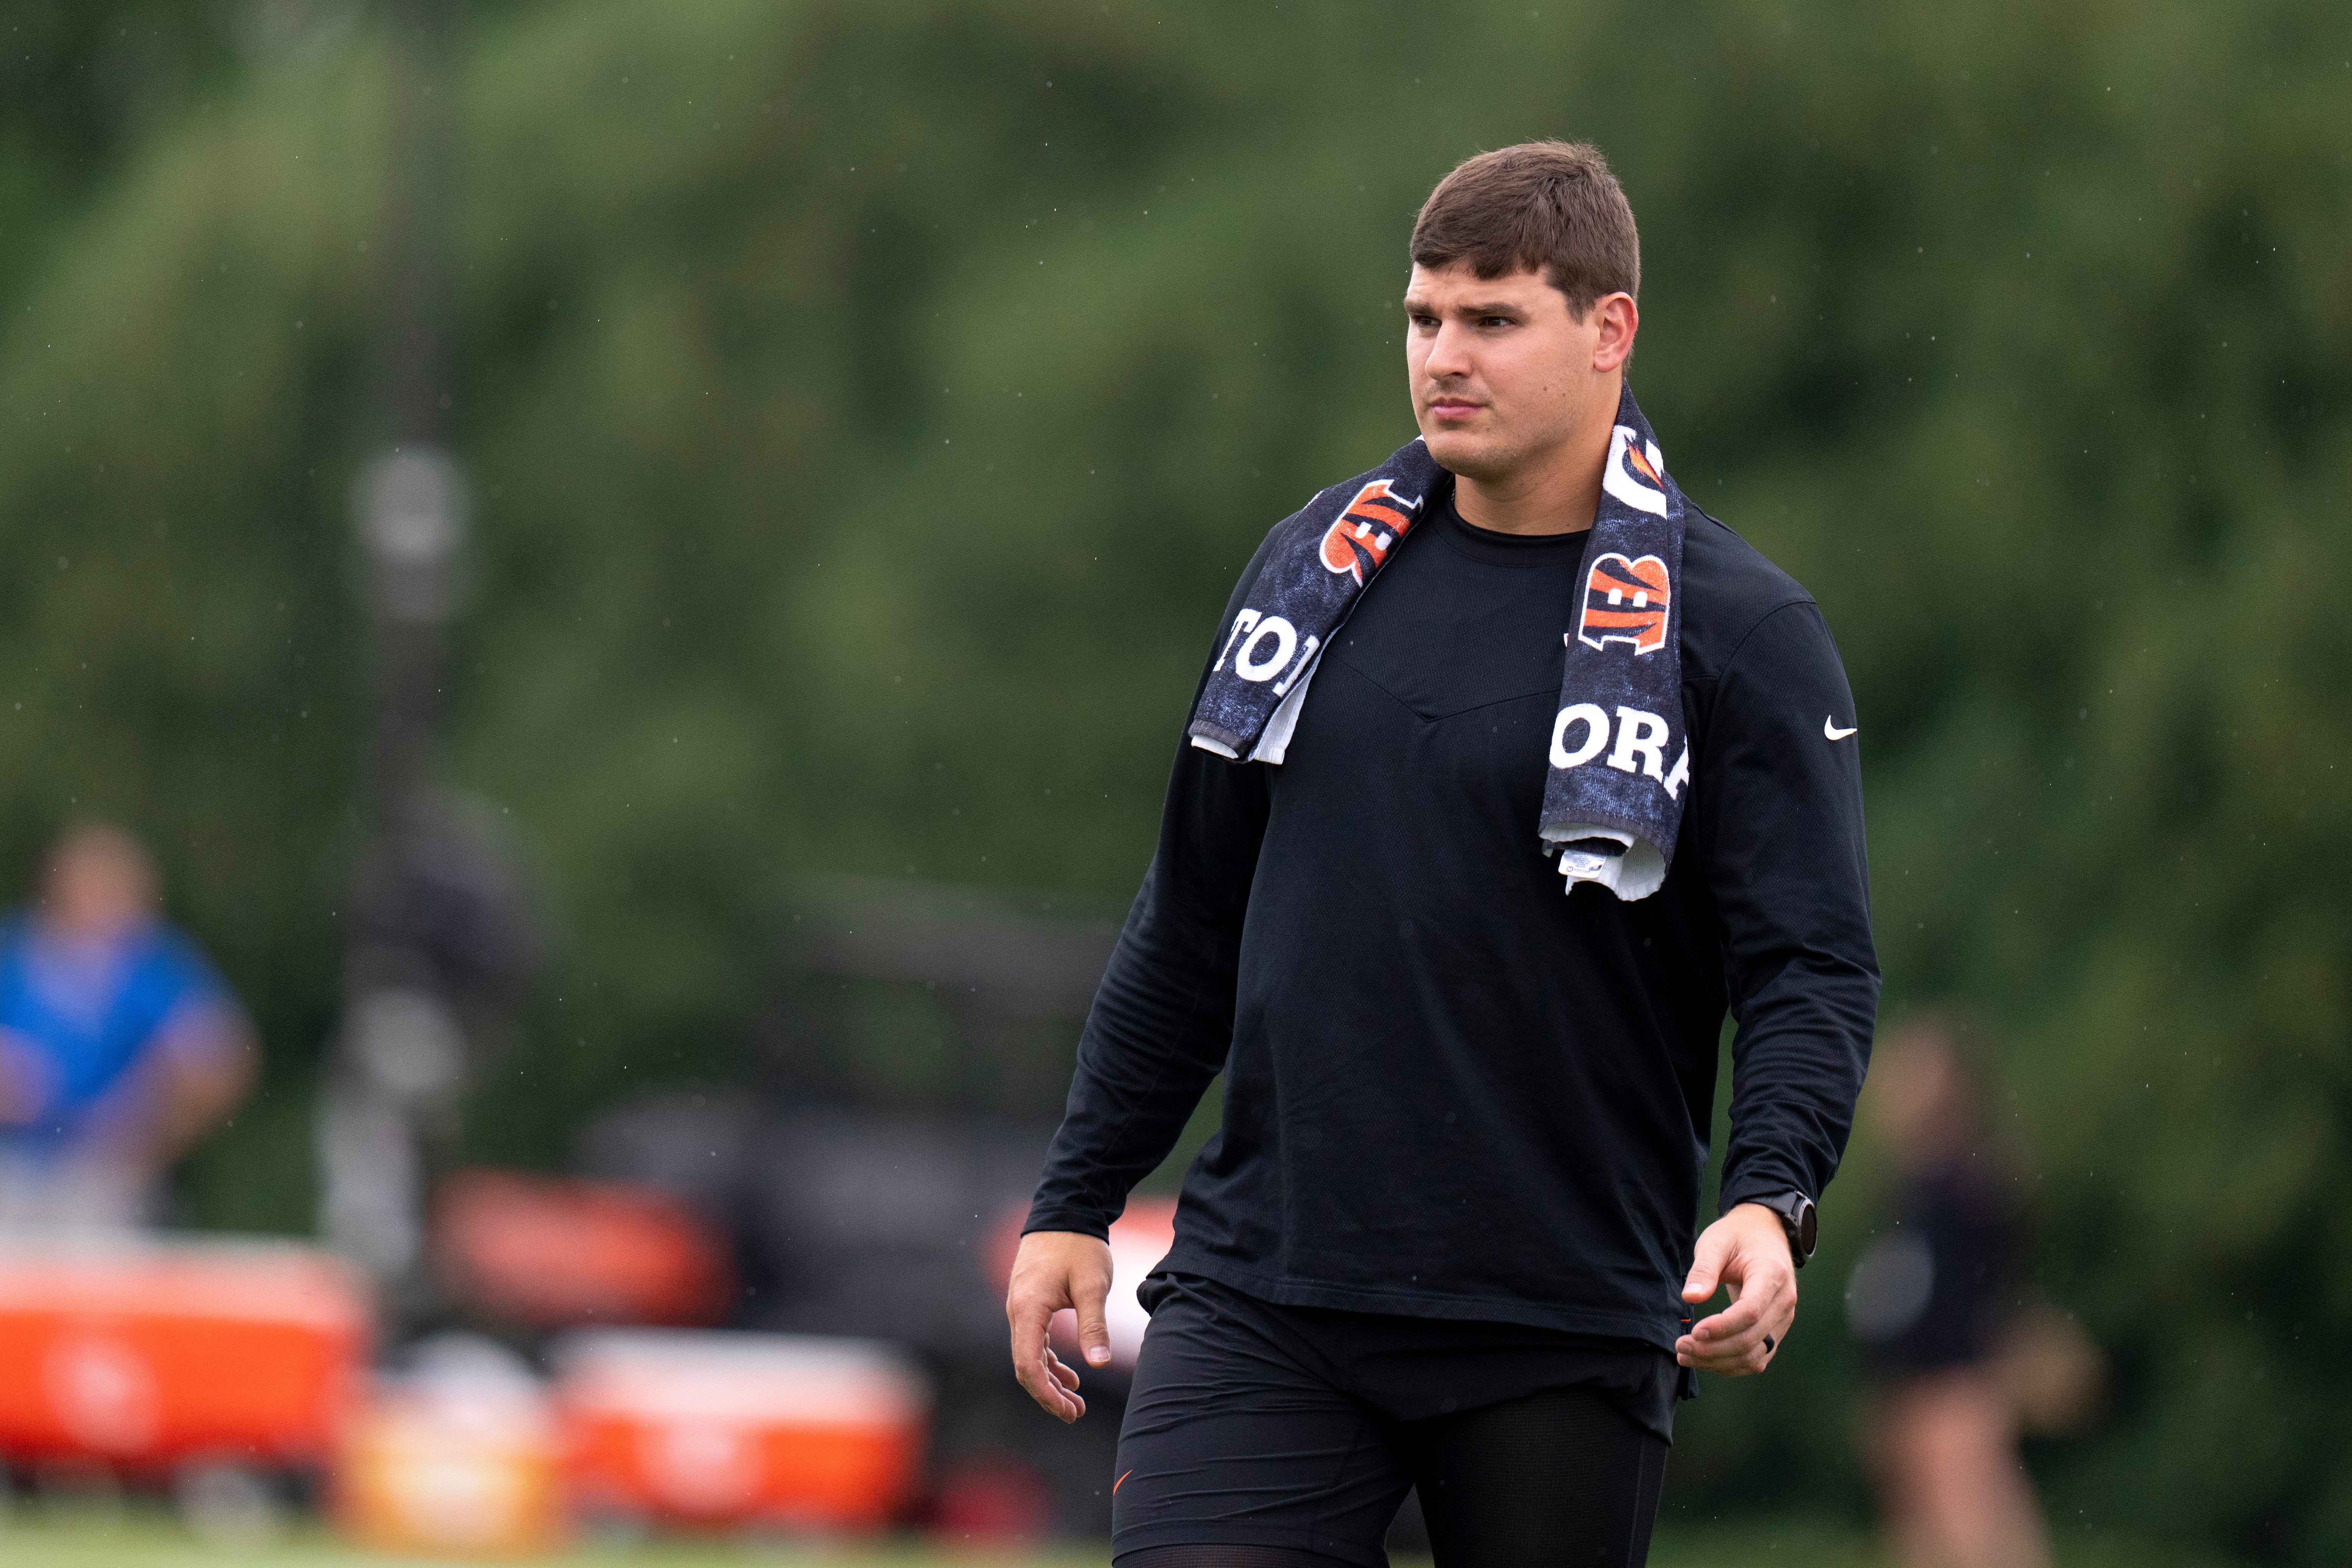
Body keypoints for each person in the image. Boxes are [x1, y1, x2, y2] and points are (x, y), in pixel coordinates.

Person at [1007, 142, 1878, 1566]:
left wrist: (1766, 1197)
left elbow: (1807, 963)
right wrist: (1076, 1194)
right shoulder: (1311, 574)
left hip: (1552, 1311)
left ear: (1608, 330)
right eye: (1422, 319)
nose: (1441, 358)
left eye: (1491, 319)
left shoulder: (1738, 631)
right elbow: (1189, 918)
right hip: (1264, 1290)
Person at [1846, 1014, 2086, 1568]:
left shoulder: (1969, 1180)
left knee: (1981, 1536)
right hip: (1911, 1388)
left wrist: (2015, 1353)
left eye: (1914, 1073)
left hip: (1959, 1384)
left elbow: (1997, 1286)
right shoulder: (1910, 1189)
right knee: (1929, 1544)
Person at [0, 823, 255, 1228]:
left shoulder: (149, 962)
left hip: (110, 1176)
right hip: (15, 1167)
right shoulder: (18, 951)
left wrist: (154, 1120)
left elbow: (222, 1059)